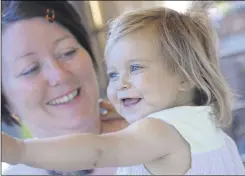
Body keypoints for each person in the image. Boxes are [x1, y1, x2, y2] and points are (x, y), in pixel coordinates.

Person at [3, 3, 245, 175]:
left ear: (186, 76)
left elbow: (97, 150)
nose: (120, 85)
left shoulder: (157, 131)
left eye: (136, 67)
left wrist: (20, 149)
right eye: (114, 74)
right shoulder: (206, 124)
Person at [1, 1, 127, 175]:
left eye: (67, 52)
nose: (58, 75)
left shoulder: (160, 134)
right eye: (30, 69)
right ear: (6, 101)